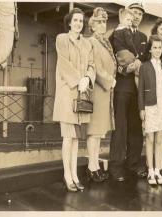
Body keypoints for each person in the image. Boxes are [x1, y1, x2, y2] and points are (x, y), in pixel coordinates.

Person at [53, 8, 95, 192]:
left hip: (82, 93)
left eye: (81, 21)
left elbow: (92, 65)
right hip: (67, 92)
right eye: (75, 20)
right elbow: (63, 63)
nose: (78, 23)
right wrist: (78, 81)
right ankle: (67, 174)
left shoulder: (87, 44)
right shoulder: (61, 39)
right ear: (69, 22)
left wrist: (88, 78)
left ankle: (75, 174)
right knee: (68, 137)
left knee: (77, 138)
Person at [109, 3, 147, 181]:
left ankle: (133, 164)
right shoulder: (116, 33)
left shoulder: (143, 37)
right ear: (126, 15)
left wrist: (139, 65)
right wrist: (125, 69)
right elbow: (113, 57)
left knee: (136, 128)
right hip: (123, 86)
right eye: (134, 13)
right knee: (120, 128)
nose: (137, 16)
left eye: (139, 14)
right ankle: (116, 167)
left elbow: (146, 61)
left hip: (138, 89)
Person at [138, 35, 162, 185]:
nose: (157, 50)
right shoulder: (145, 66)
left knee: (160, 138)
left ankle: (158, 170)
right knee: (150, 138)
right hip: (150, 106)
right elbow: (140, 89)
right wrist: (141, 109)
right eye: (154, 47)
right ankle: (150, 172)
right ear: (150, 49)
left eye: (159, 47)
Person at [86, 7, 117, 182]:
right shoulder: (92, 42)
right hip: (98, 91)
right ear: (92, 25)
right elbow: (95, 67)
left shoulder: (104, 42)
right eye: (98, 22)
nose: (102, 25)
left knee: (98, 133)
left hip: (105, 93)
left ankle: (95, 166)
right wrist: (109, 81)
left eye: (104, 21)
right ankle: (92, 168)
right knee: (94, 132)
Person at [110, 8, 141, 87]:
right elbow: (130, 44)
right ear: (121, 19)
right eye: (128, 20)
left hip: (120, 56)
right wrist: (136, 54)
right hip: (122, 83)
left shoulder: (143, 36)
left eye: (131, 20)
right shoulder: (124, 31)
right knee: (139, 66)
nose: (130, 23)